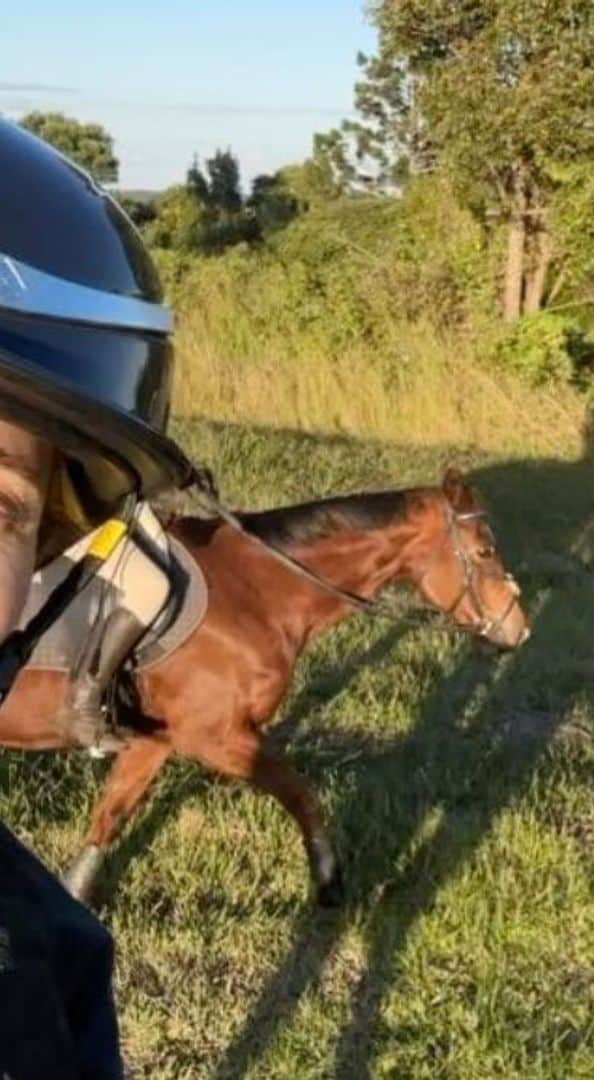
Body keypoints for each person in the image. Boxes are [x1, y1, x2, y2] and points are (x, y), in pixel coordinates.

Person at [0, 117, 196, 1074]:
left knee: (157, 577)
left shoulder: (54, 960)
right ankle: (88, 697)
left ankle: (96, 699)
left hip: (133, 522)